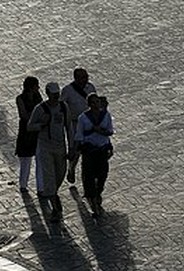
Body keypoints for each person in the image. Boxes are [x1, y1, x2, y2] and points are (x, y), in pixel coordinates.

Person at [27, 82, 71, 222]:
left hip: (60, 147)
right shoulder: (40, 109)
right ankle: (56, 209)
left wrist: (72, 147)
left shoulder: (63, 107)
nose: (55, 98)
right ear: (47, 94)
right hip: (45, 147)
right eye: (53, 95)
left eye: (57, 95)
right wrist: (42, 124)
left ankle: (53, 193)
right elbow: (30, 126)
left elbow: (69, 128)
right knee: (49, 176)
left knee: (60, 174)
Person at [74, 94, 114, 217]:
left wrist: (100, 131)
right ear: (89, 104)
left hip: (102, 149)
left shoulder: (105, 116)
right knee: (89, 175)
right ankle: (92, 199)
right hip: (89, 150)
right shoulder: (83, 118)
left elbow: (110, 131)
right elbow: (79, 135)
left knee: (103, 174)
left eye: (97, 102)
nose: (96, 105)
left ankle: (98, 193)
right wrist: (76, 150)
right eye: (93, 102)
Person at [14, 76, 42, 192]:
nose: (38, 88)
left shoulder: (38, 97)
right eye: (36, 86)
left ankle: (41, 186)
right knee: (25, 159)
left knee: (40, 160)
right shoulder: (20, 99)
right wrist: (36, 115)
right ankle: (23, 185)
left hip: (36, 131)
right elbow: (23, 115)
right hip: (25, 132)